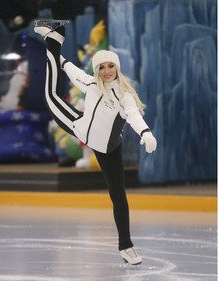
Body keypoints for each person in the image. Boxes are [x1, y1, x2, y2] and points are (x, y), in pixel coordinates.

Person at [34, 23, 157, 265]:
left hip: (107, 147)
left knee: (118, 195)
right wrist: (60, 58)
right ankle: (53, 40)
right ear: (97, 69)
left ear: (117, 69)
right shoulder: (91, 84)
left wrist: (146, 132)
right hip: (78, 126)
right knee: (51, 96)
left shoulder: (125, 96)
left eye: (111, 66)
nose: (107, 70)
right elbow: (69, 69)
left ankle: (126, 246)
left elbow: (133, 115)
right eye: (102, 66)